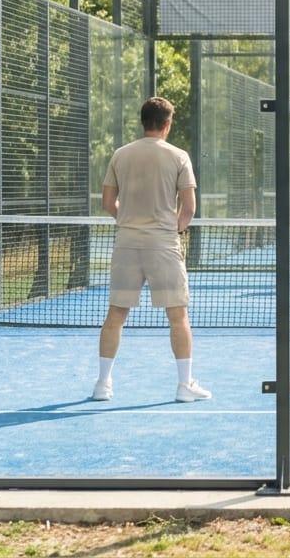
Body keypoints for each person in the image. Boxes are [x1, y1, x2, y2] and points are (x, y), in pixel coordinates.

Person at [93, 96, 211, 403]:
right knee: (178, 316)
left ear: (143, 121)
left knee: (116, 314)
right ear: (167, 124)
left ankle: (102, 385)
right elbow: (189, 208)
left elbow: (107, 202)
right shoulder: (178, 156)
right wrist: (170, 231)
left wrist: (130, 222)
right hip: (163, 246)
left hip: (126, 244)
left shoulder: (120, 155)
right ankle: (185, 386)